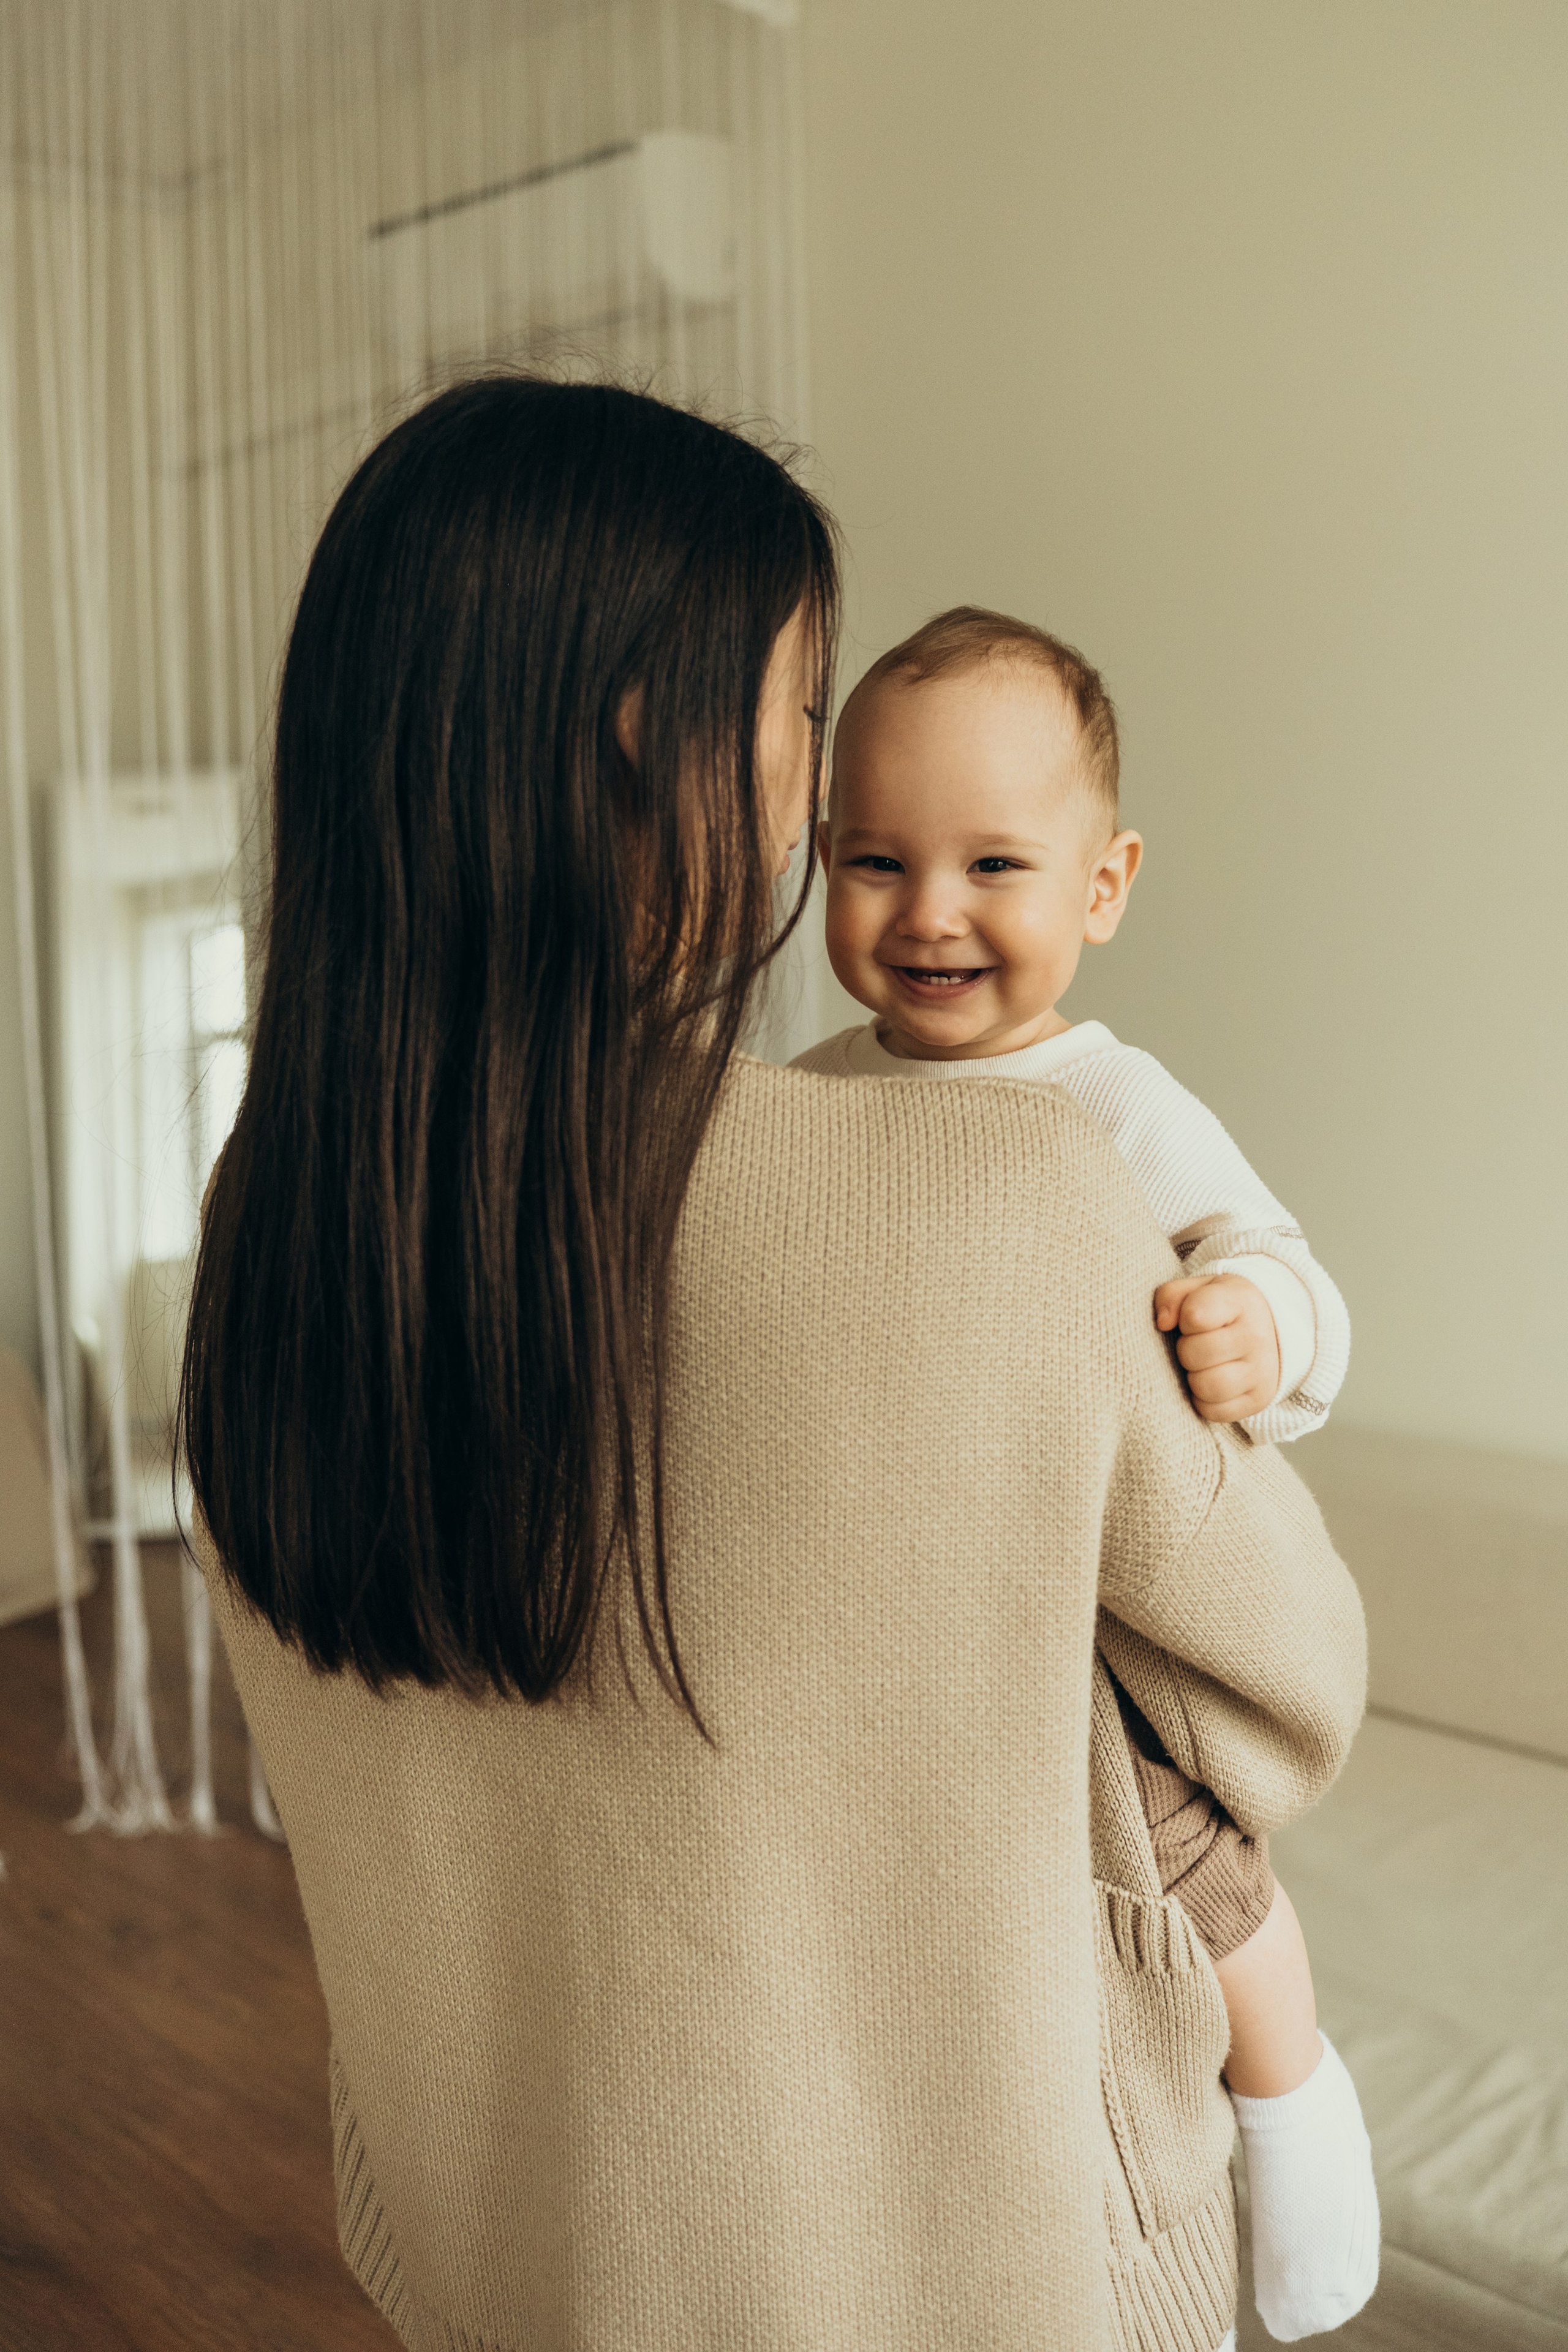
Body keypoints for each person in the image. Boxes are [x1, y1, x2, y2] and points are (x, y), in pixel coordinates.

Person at [181, 376, 1366, 2352]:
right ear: (653, 747)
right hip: (947, 2275)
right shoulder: (1000, 1199)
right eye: (808, 710)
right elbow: (1281, 1699)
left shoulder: (278, 1232)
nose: (841, 821)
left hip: (499, 2253)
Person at [795, 603, 1381, 2343]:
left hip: (1079, 1592)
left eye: (994, 864)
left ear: (1105, 886)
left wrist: (1258, 1322)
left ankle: (1293, 2099)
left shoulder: (1113, 1104)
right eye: (877, 860)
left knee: (1190, 1857)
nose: (931, 912)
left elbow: (1281, 1259)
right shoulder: (804, 1099)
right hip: (893, 1595)